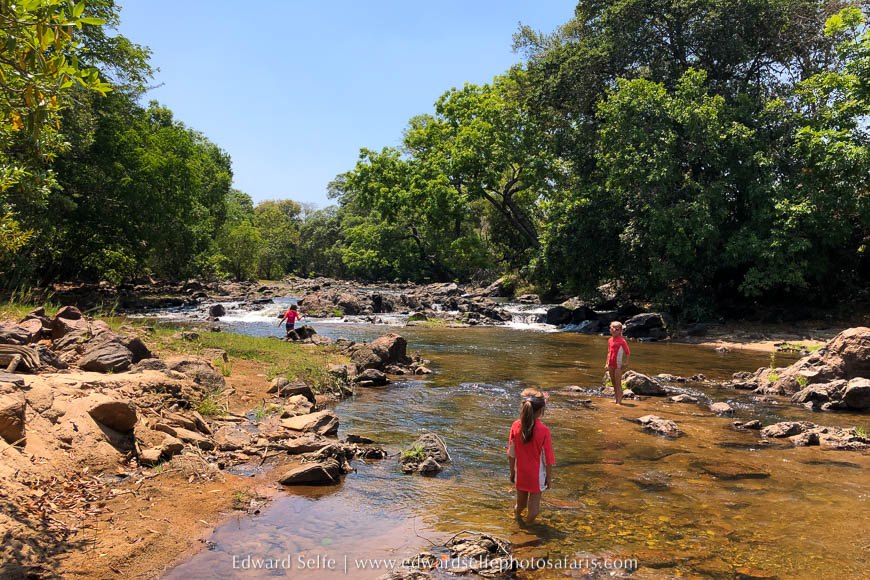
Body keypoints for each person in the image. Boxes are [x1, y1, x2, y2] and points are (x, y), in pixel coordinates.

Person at [508, 388, 555, 524]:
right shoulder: (544, 430)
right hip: (536, 476)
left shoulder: (516, 426)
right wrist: (549, 478)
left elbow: (511, 454)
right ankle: (527, 529)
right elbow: (548, 458)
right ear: (541, 411)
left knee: (520, 505)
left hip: (520, 473)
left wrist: (512, 472)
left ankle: (517, 522)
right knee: (533, 511)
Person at [605, 321, 631, 405]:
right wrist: (606, 363)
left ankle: (619, 401)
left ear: (620, 331)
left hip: (618, 365)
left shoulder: (622, 341)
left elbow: (627, 352)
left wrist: (626, 363)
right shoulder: (610, 340)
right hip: (610, 364)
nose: (614, 330)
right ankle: (616, 399)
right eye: (612, 328)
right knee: (613, 382)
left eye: (617, 329)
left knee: (618, 382)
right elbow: (609, 352)